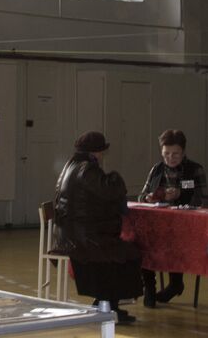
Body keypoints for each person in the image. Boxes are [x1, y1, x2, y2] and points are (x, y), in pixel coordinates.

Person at [53, 131, 142, 324]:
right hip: (84, 240)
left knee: (118, 249)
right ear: (97, 152)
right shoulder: (88, 169)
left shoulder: (70, 166)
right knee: (128, 254)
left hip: (69, 236)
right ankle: (111, 307)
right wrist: (116, 178)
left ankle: (104, 301)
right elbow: (110, 192)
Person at [138, 129, 207, 307]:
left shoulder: (194, 170)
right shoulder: (157, 170)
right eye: (166, 154)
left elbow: (203, 199)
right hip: (158, 225)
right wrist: (151, 197)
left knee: (173, 243)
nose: (170, 158)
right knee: (143, 241)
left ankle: (176, 284)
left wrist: (180, 194)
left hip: (185, 227)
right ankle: (149, 289)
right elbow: (142, 196)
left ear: (183, 152)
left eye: (175, 154)